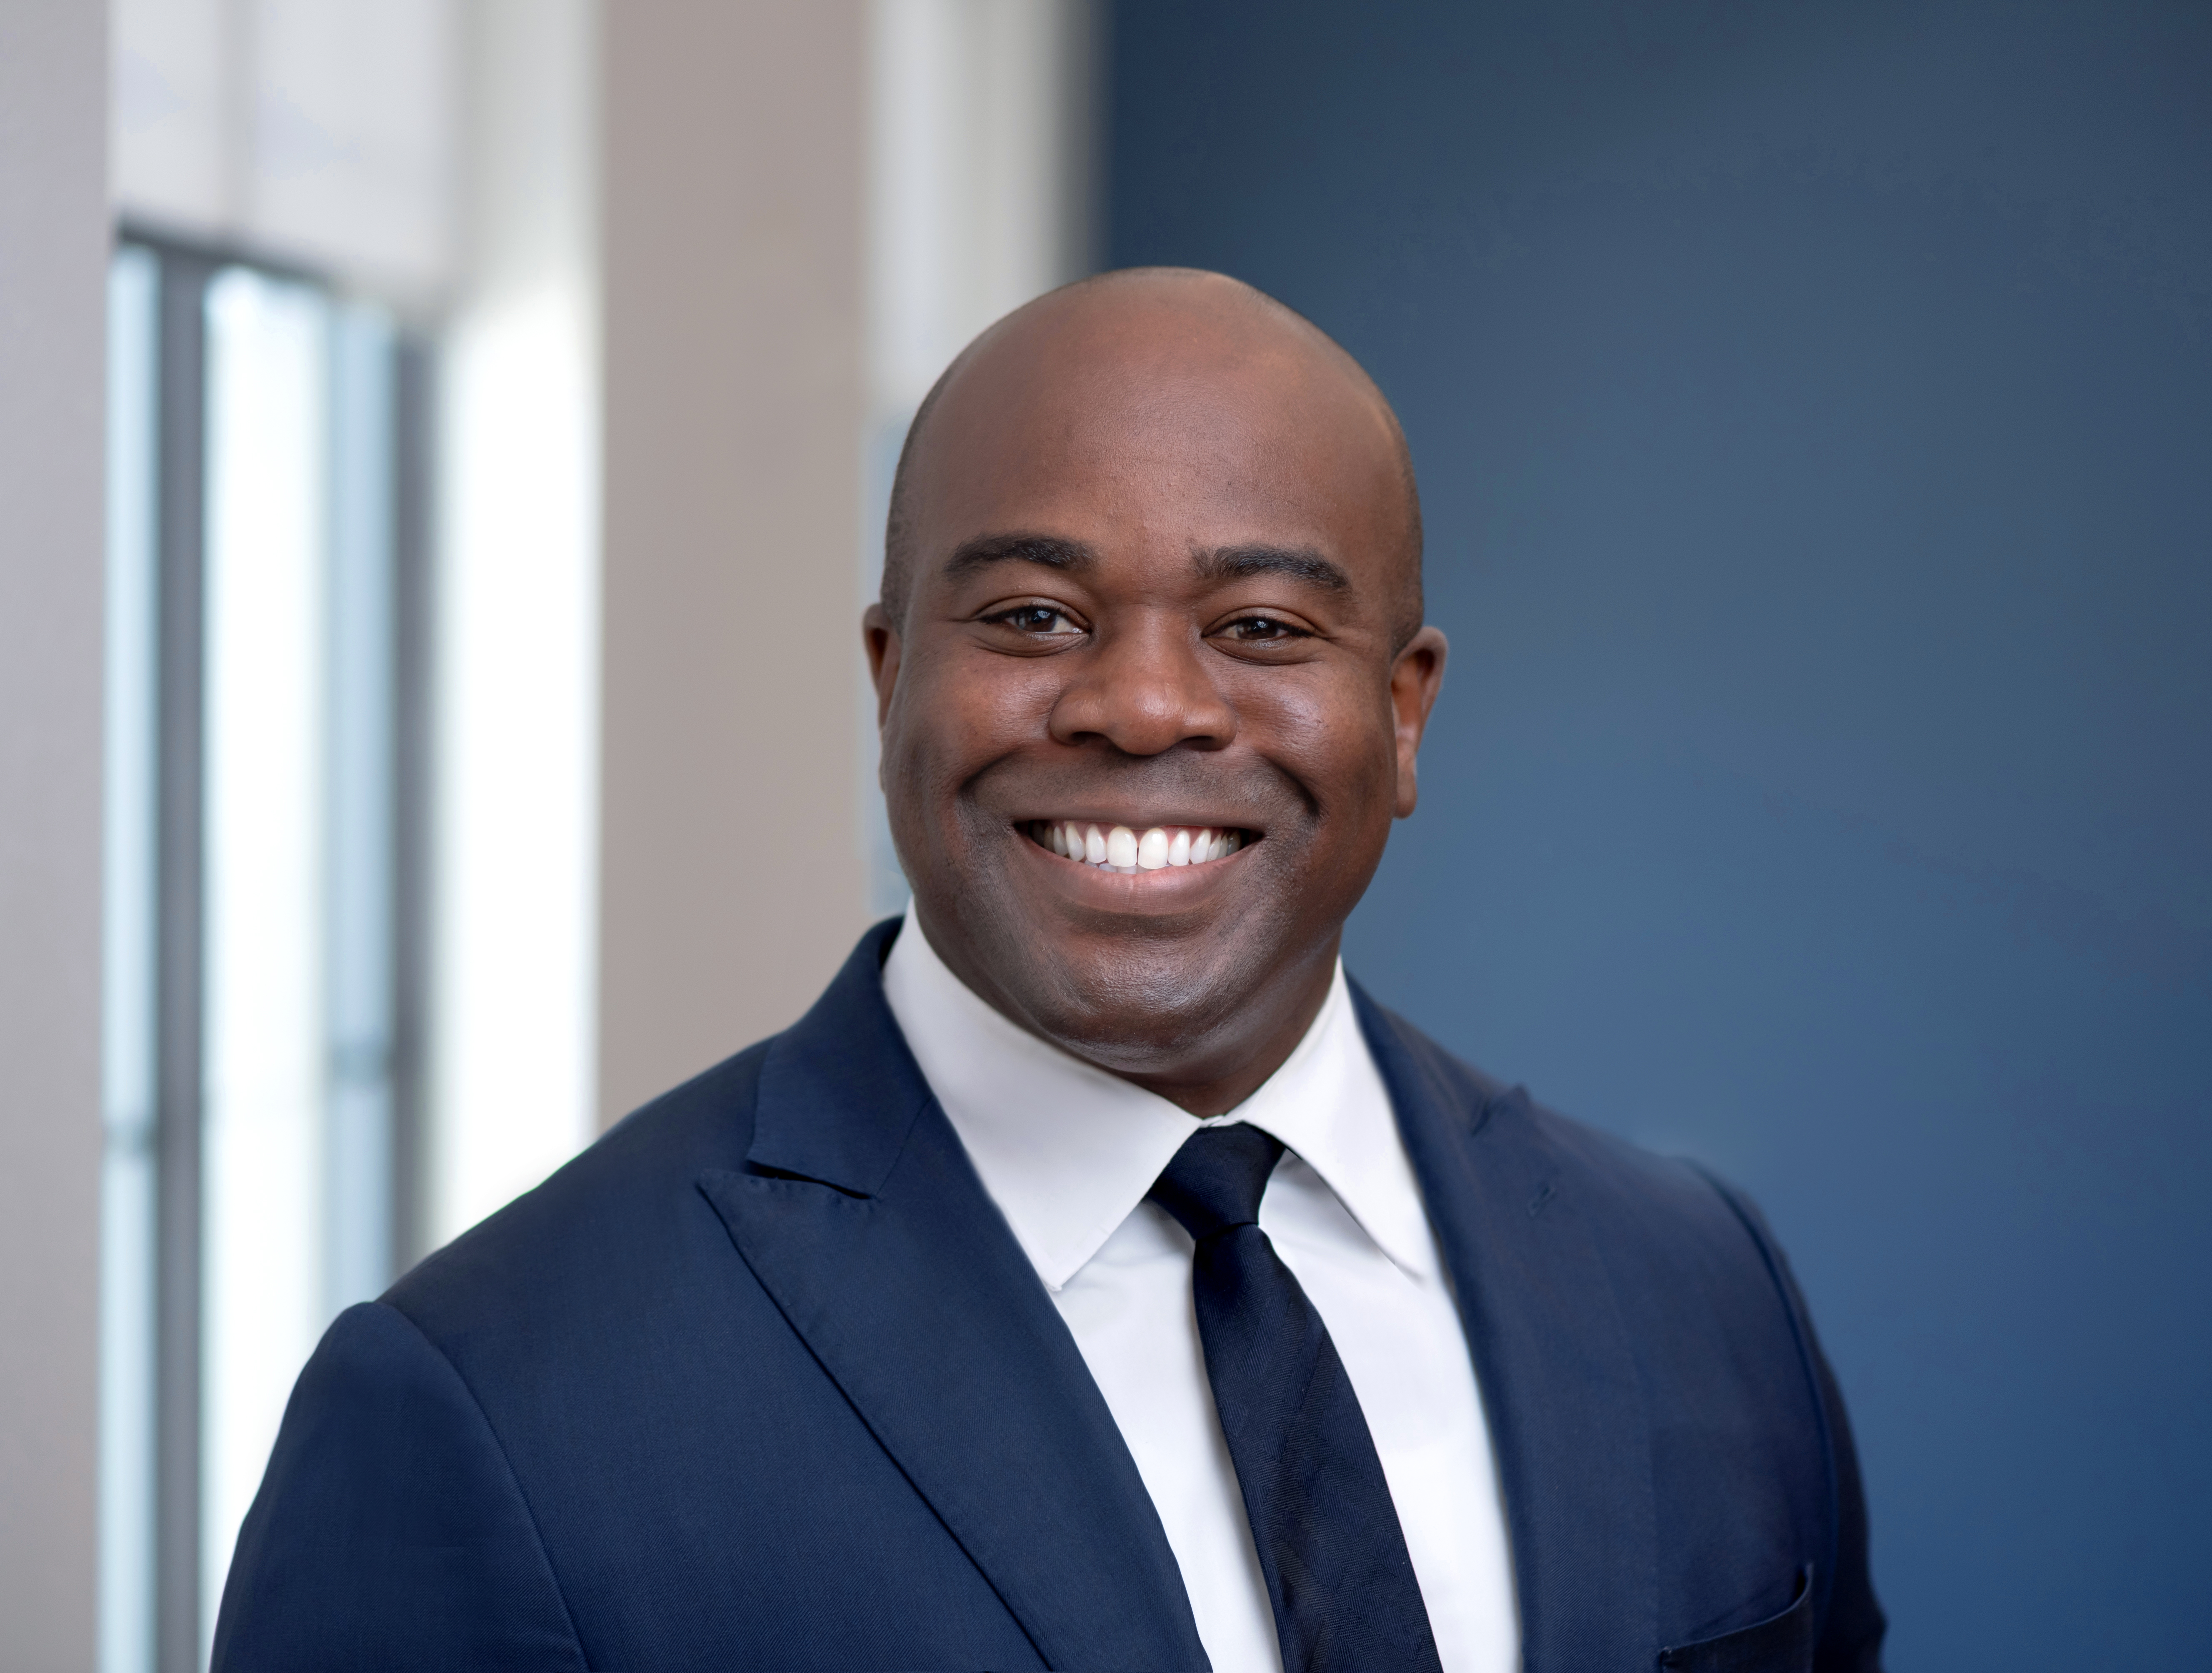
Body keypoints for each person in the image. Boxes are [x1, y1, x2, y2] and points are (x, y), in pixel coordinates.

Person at [214, 269, 1885, 1672]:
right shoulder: (486, 1402)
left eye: (1260, 628)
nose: (1142, 706)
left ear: (1403, 710)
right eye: (1030, 617)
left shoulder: (1695, 1286)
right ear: (887, 677)